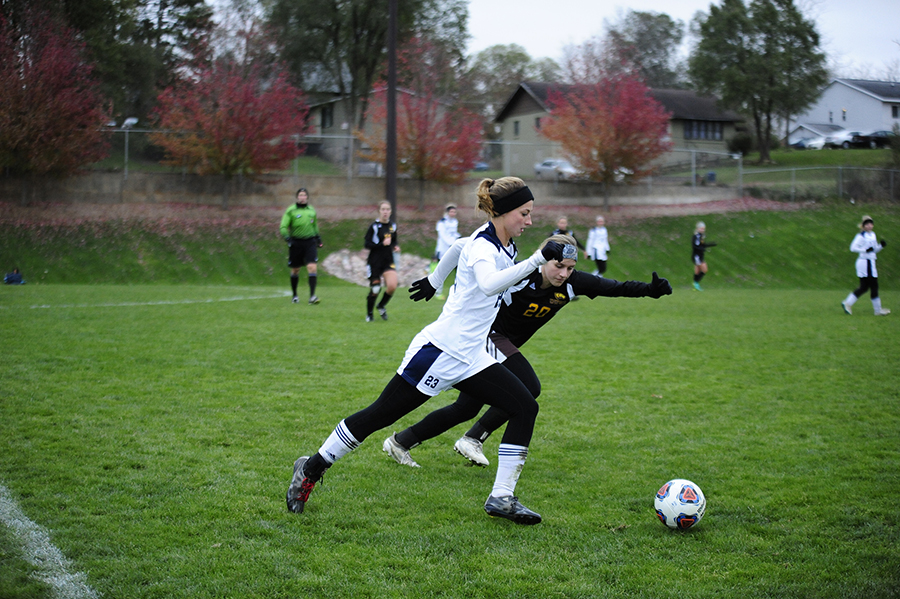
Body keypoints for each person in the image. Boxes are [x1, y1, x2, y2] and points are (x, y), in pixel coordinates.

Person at [285, 177, 566, 524]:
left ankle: (502, 497)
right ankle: (311, 467)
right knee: (379, 415)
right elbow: (488, 282)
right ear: (504, 213)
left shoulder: (498, 243)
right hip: (440, 351)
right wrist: (538, 258)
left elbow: (457, 247)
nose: (530, 221)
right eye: (524, 214)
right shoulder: (486, 247)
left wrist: (435, 280)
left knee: (525, 406)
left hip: (472, 355)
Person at [381, 234, 672, 469]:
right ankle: (473, 439)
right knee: (529, 387)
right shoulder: (518, 275)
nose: (563, 273)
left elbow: (614, 287)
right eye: (558, 266)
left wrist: (650, 289)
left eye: (569, 268)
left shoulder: (573, 283)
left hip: (502, 346)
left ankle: (401, 442)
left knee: (465, 408)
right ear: (544, 259)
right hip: (486, 338)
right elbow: (476, 274)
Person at [280, 188, 322, 304]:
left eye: (304, 195)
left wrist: (318, 237)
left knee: (312, 267)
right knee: (295, 269)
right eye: (300, 195)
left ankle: (312, 296)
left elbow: (314, 225)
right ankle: (295, 295)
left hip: (310, 242)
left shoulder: (311, 210)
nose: (302, 197)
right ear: (297, 197)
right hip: (296, 242)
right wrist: (287, 238)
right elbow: (283, 226)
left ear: (307, 197)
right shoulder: (291, 210)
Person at [842, 215, 889, 316]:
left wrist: (881, 246)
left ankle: (847, 303)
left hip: (871, 262)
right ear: (863, 226)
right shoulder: (861, 236)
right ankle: (877, 310)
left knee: (864, 287)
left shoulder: (872, 235)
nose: (869, 226)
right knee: (873, 286)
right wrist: (864, 250)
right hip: (865, 263)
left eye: (871, 223)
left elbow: (874, 250)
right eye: (867, 224)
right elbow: (852, 248)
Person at [364, 201, 400, 322]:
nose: (385, 212)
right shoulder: (374, 226)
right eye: (383, 209)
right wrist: (381, 244)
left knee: (392, 286)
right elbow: (367, 244)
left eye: (388, 209)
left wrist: (395, 246)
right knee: (375, 289)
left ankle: (381, 305)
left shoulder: (392, 226)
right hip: (374, 261)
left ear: (390, 211)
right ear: (379, 211)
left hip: (387, 261)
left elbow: (394, 240)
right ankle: (369, 314)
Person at [431, 204, 460, 299]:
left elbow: (454, 233)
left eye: (454, 212)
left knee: (459, 269)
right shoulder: (441, 222)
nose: (453, 213)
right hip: (442, 250)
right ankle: (437, 292)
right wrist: (452, 243)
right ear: (447, 212)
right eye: (451, 211)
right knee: (440, 271)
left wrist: (457, 239)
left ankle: (458, 291)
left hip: (453, 250)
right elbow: (443, 236)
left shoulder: (455, 222)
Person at [691, 221, 716, 291]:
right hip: (697, 256)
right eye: (701, 228)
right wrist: (702, 248)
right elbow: (695, 246)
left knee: (698, 271)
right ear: (698, 228)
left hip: (700, 255)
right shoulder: (696, 236)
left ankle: (695, 284)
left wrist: (710, 244)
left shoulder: (701, 236)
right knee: (704, 269)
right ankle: (696, 283)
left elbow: (702, 245)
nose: (702, 230)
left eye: (703, 229)